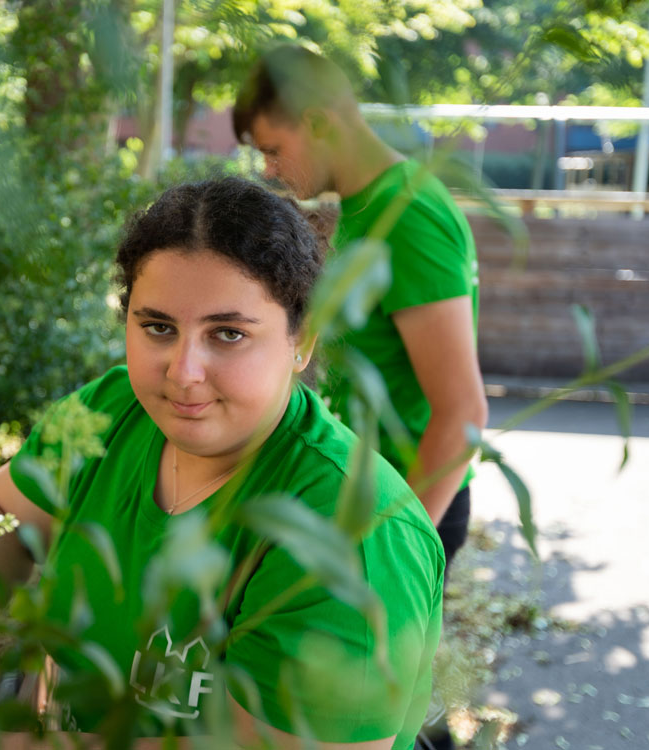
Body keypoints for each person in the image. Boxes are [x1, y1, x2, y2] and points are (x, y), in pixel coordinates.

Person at [0, 178, 444, 749]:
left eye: (228, 334)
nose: (183, 372)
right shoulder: (109, 414)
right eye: (158, 327)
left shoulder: (351, 533)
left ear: (300, 341)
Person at [231, 46, 489, 750]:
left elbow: (463, 412)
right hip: (362, 499)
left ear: (317, 121)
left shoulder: (408, 216)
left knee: (382, 722)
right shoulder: (364, 207)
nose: (270, 170)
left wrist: (391, 545)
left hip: (404, 507)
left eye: (272, 148)